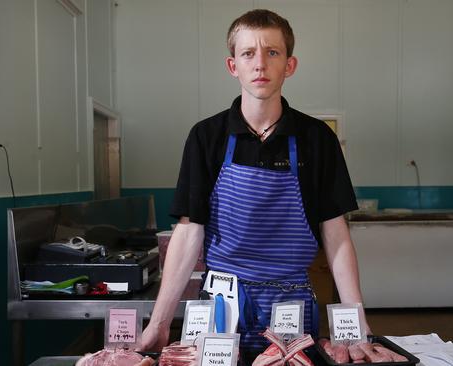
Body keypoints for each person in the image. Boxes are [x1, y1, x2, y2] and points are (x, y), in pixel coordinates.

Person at [140, 8, 369, 353]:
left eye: (272, 52)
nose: (260, 64)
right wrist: (158, 324)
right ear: (233, 65)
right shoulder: (206, 137)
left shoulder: (317, 139)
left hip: (291, 306)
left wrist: (356, 320)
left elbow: (336, 234)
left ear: (289, 65)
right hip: (221, 305)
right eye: (248, 53)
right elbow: (189, 232)